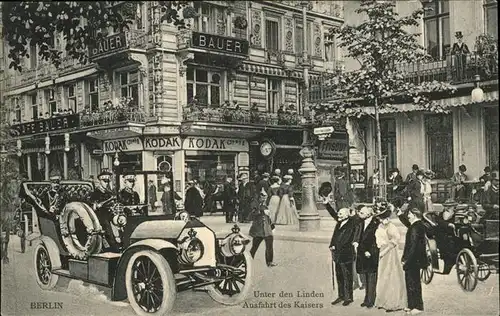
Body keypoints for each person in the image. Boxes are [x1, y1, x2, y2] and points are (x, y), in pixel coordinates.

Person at [373, 203, 407, 312]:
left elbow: (394, 241)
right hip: (382, 251)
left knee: (391, 275)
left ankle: (393, 302)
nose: (383, 220)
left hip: (390, 253)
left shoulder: (392, 227)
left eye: (385, 218)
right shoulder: (380, 226)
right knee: (383, 275)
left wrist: (385, 251)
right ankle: (382, 300)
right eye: (381, 218)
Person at [400, 208, 428, 315]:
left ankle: (418, 306)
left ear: (415, 215)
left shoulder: (415, 228)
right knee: (411, 282)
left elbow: (412, 246)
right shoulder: (418, 225)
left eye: (410, 214)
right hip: (416, 259)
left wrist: (405, 259)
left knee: (413, 283)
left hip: (413, 260)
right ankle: (411, 305)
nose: (409, 216)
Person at [329, 208, 358, 307]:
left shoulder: (351, 224)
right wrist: (331, 244)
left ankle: (348, 297)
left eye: (341, 214)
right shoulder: (339, 223)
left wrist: (336, 246)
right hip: (337, 254)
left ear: (346, 215)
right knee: (339, 276)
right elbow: (335, 236)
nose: (338, 215)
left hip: (346, 255)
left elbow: (347, 239)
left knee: (347, 277)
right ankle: (341, 295)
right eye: (338, 214)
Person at [355, 206, 380, 309]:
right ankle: (366, 299)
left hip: (371, 253)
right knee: (365, 277)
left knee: (371, 277)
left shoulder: (375, 223)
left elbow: (375, 239)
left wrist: (368, 251)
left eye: (361, 213)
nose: (359, 214)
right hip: (362, 253)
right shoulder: (361, 222)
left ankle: (371, 300)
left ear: (368, 214)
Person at [91, 169, 119, 252]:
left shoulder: (108, 191)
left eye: (107, 181)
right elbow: (96, 207)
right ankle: (113, 248)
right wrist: (109, 200)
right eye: (104, 181)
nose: (106, 183)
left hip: (110, 213)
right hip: (100, 215)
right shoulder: (96, 192)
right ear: (100, 181)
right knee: (107, 229)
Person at [249, 189, 276, 267]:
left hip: (267, 229)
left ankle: (269, 262)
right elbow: (251, 215)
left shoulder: (265, 204)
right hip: (258, 229)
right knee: (254, 247)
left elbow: (268, 218)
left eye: (265, 197)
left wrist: (272, 226)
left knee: (269, 246)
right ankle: (248, 260)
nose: (264, 198)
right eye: (262, 196)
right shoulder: (254, 204)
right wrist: (262, 212)